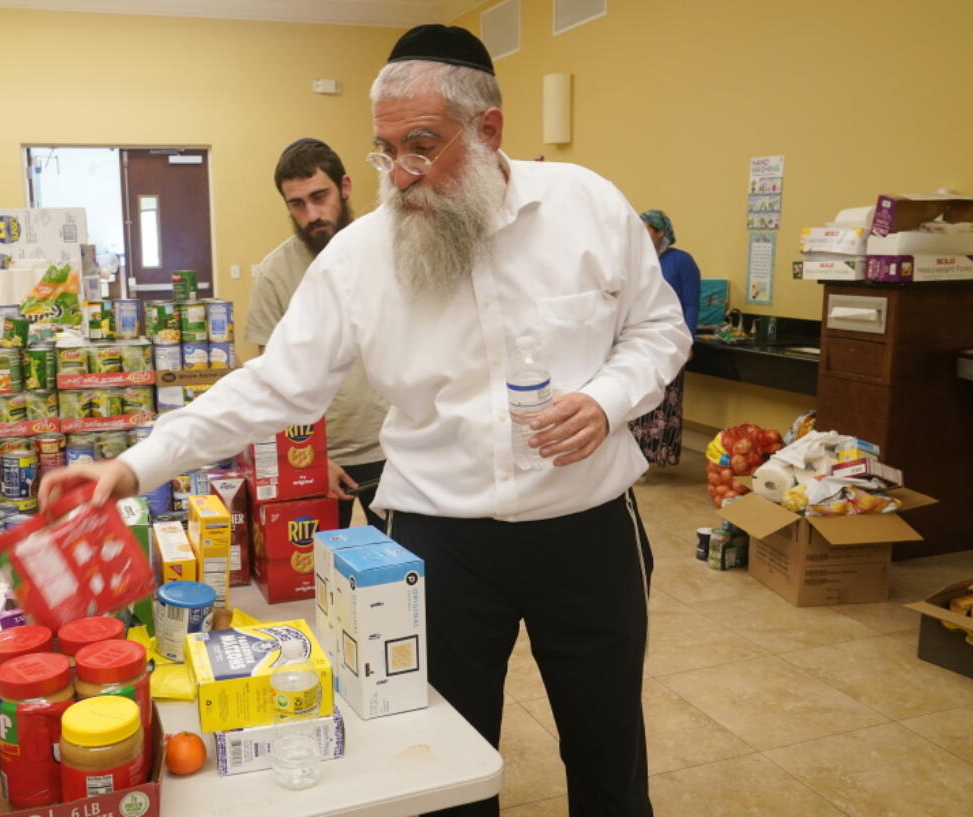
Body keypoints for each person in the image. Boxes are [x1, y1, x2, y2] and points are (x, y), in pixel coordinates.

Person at [42, 24, 689, 817]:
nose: (400, 174)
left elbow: (661, 330)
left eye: (421, 145)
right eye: (385, 150)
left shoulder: (588, 205)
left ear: (489, 130)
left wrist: (609, 398)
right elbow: (273, 385)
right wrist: (136, 464)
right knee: (437, 765)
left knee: (607, 747)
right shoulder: (360, 256)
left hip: (586, 527)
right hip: (440, 540)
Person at [246, 138, 389, 530]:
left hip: (393, 448)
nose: (312, 214)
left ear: (345, 187)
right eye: (297, 204)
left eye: (319, 196)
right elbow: (272, 380)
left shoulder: (389, 251)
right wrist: (313, 456)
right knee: (322, 581)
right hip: (318, 457)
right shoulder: (275, 274)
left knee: (399, 576)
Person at [630, 209, 700, 467]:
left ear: (661, 232)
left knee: (665, 400)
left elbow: (691, 304)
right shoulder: (636, 261)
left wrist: (688, 339)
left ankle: (660, 455)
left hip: (671, 338)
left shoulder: (681, 261)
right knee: (638, 396)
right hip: (638, 338)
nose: (640, 234)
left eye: (646, 228)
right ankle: (637, 458)